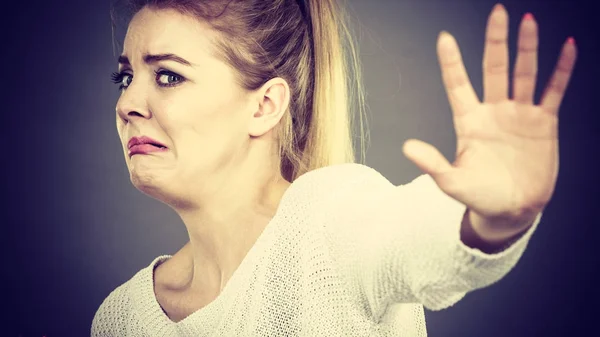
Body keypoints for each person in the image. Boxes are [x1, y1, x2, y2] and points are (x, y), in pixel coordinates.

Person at [91, 0, 577, 336]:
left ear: (264, 107)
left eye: (169, 75)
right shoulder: (120, 318)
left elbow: (417, 238)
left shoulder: (330, 222)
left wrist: (496, 220)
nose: (128, 102)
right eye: (125, 77)